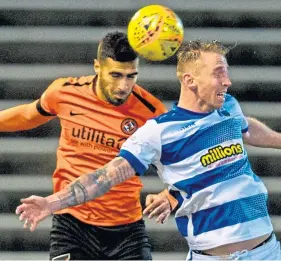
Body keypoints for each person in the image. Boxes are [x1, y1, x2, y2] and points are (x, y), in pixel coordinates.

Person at [15, 40, 281, 260]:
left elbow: (246, 129)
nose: (228, 82)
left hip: (267, 251)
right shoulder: (159, 131)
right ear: (190, 80)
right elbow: (107, 176)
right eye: (218, 73)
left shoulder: (228, 107)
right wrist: (52, 202)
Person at [1, 31, 178, 260]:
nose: (124, 86)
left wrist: (169, 195)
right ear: (97, 66)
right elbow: (27, 115)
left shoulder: (150, 112)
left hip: (126, 229)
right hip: (72, 225)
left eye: (131, 76)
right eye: (115, 75)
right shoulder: (64, 92)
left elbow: (184, 164)